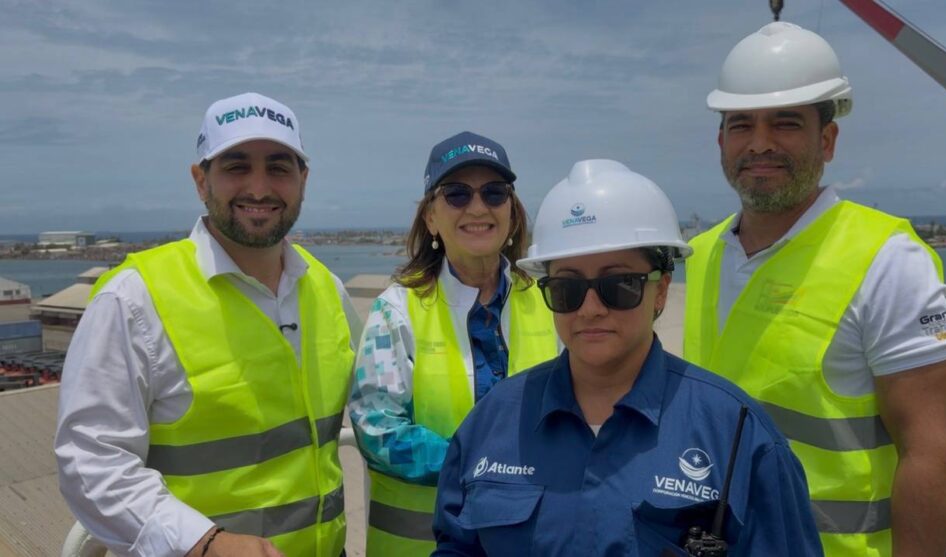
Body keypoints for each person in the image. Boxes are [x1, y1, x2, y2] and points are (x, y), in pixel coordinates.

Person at [433, 159, 824, 556]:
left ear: (661, 289)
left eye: (619, 284)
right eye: (567, 288)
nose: (590, 309)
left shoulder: (736, 435)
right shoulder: (493, 421)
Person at [685, 22, 946, 556]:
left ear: (828, 140)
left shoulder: (888, 262)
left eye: (785, 123)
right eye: (741, 125)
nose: (760, 143)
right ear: (721, 142)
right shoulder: (700, 255)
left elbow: (931, 454)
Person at [55, 92, 361, 557]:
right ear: (201, 181)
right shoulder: (134, 299)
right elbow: (91, 462)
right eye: (237, 167)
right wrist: (203, 542)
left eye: (278, 167)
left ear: (303, 180)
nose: (259, 188)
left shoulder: (326, 288)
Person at [348, 131, 560, 556]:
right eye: (457, 194)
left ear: (512, 212)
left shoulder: (549, 301)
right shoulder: (397, 309)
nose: (478, 208)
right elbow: (375, 429)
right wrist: (477, 465)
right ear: (431, 217)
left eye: (494, 193)